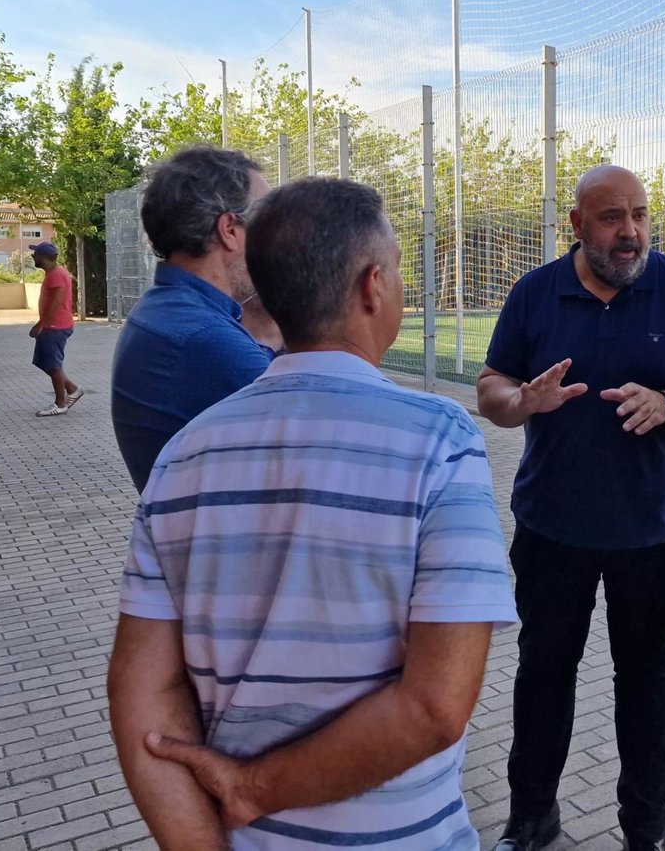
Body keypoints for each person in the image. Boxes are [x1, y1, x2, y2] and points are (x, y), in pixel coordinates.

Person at [106, 178, 518, 850]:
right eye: (397, 271)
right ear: (372, 286)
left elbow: (141, 692)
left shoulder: (186, 453)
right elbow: (436, 706)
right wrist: (255, 787)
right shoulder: (438, 440)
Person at [478, 164, 665, 851]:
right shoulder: (536, 292)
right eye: (612, 217)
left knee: (647, 679)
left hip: (655, 530)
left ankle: (644, 831)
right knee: (543, 672)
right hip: (552, 528)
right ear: (577, 224)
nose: (630, 232)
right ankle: (531, 819)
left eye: (640, 215)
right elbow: (492, 384)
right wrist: (520, 401)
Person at [111, 145, 272, 492]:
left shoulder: (167, 311)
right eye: (267, 220)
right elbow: (335, 436)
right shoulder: (204, 337)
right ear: (229, 229)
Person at [28, 241, 83, 416]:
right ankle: (73, 389)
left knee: (53, 365)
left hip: (55, 326)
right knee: (44, 362)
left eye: (35, 254)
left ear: (43, 257)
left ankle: (60, 404)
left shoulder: (56, 275)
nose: (33, 257)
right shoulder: (54, 273)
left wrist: (41, 324)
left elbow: (57, 302)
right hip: (52, 325)